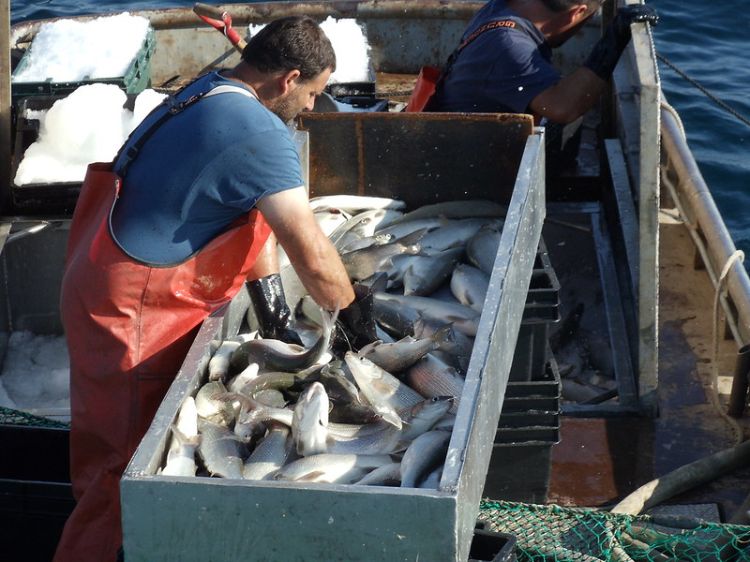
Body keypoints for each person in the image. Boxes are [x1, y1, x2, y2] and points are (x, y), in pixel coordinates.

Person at [54, 16, 373, 562]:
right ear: (288, 78)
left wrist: (272, 308)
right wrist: (353, 315)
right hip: (136, 311)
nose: (314, 109)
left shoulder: (207, 90)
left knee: (113, 453)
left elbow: (244, 215)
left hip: (106, 280)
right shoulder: (261, 132)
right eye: (314, 94)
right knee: (123, 466)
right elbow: (311, 250)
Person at [426, 0, 659, 173]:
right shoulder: (509, 45)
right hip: (455, 164)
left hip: (459, 135)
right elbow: (563, 107)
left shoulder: (501, 8)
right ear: (576, 13)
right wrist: (613, 41)